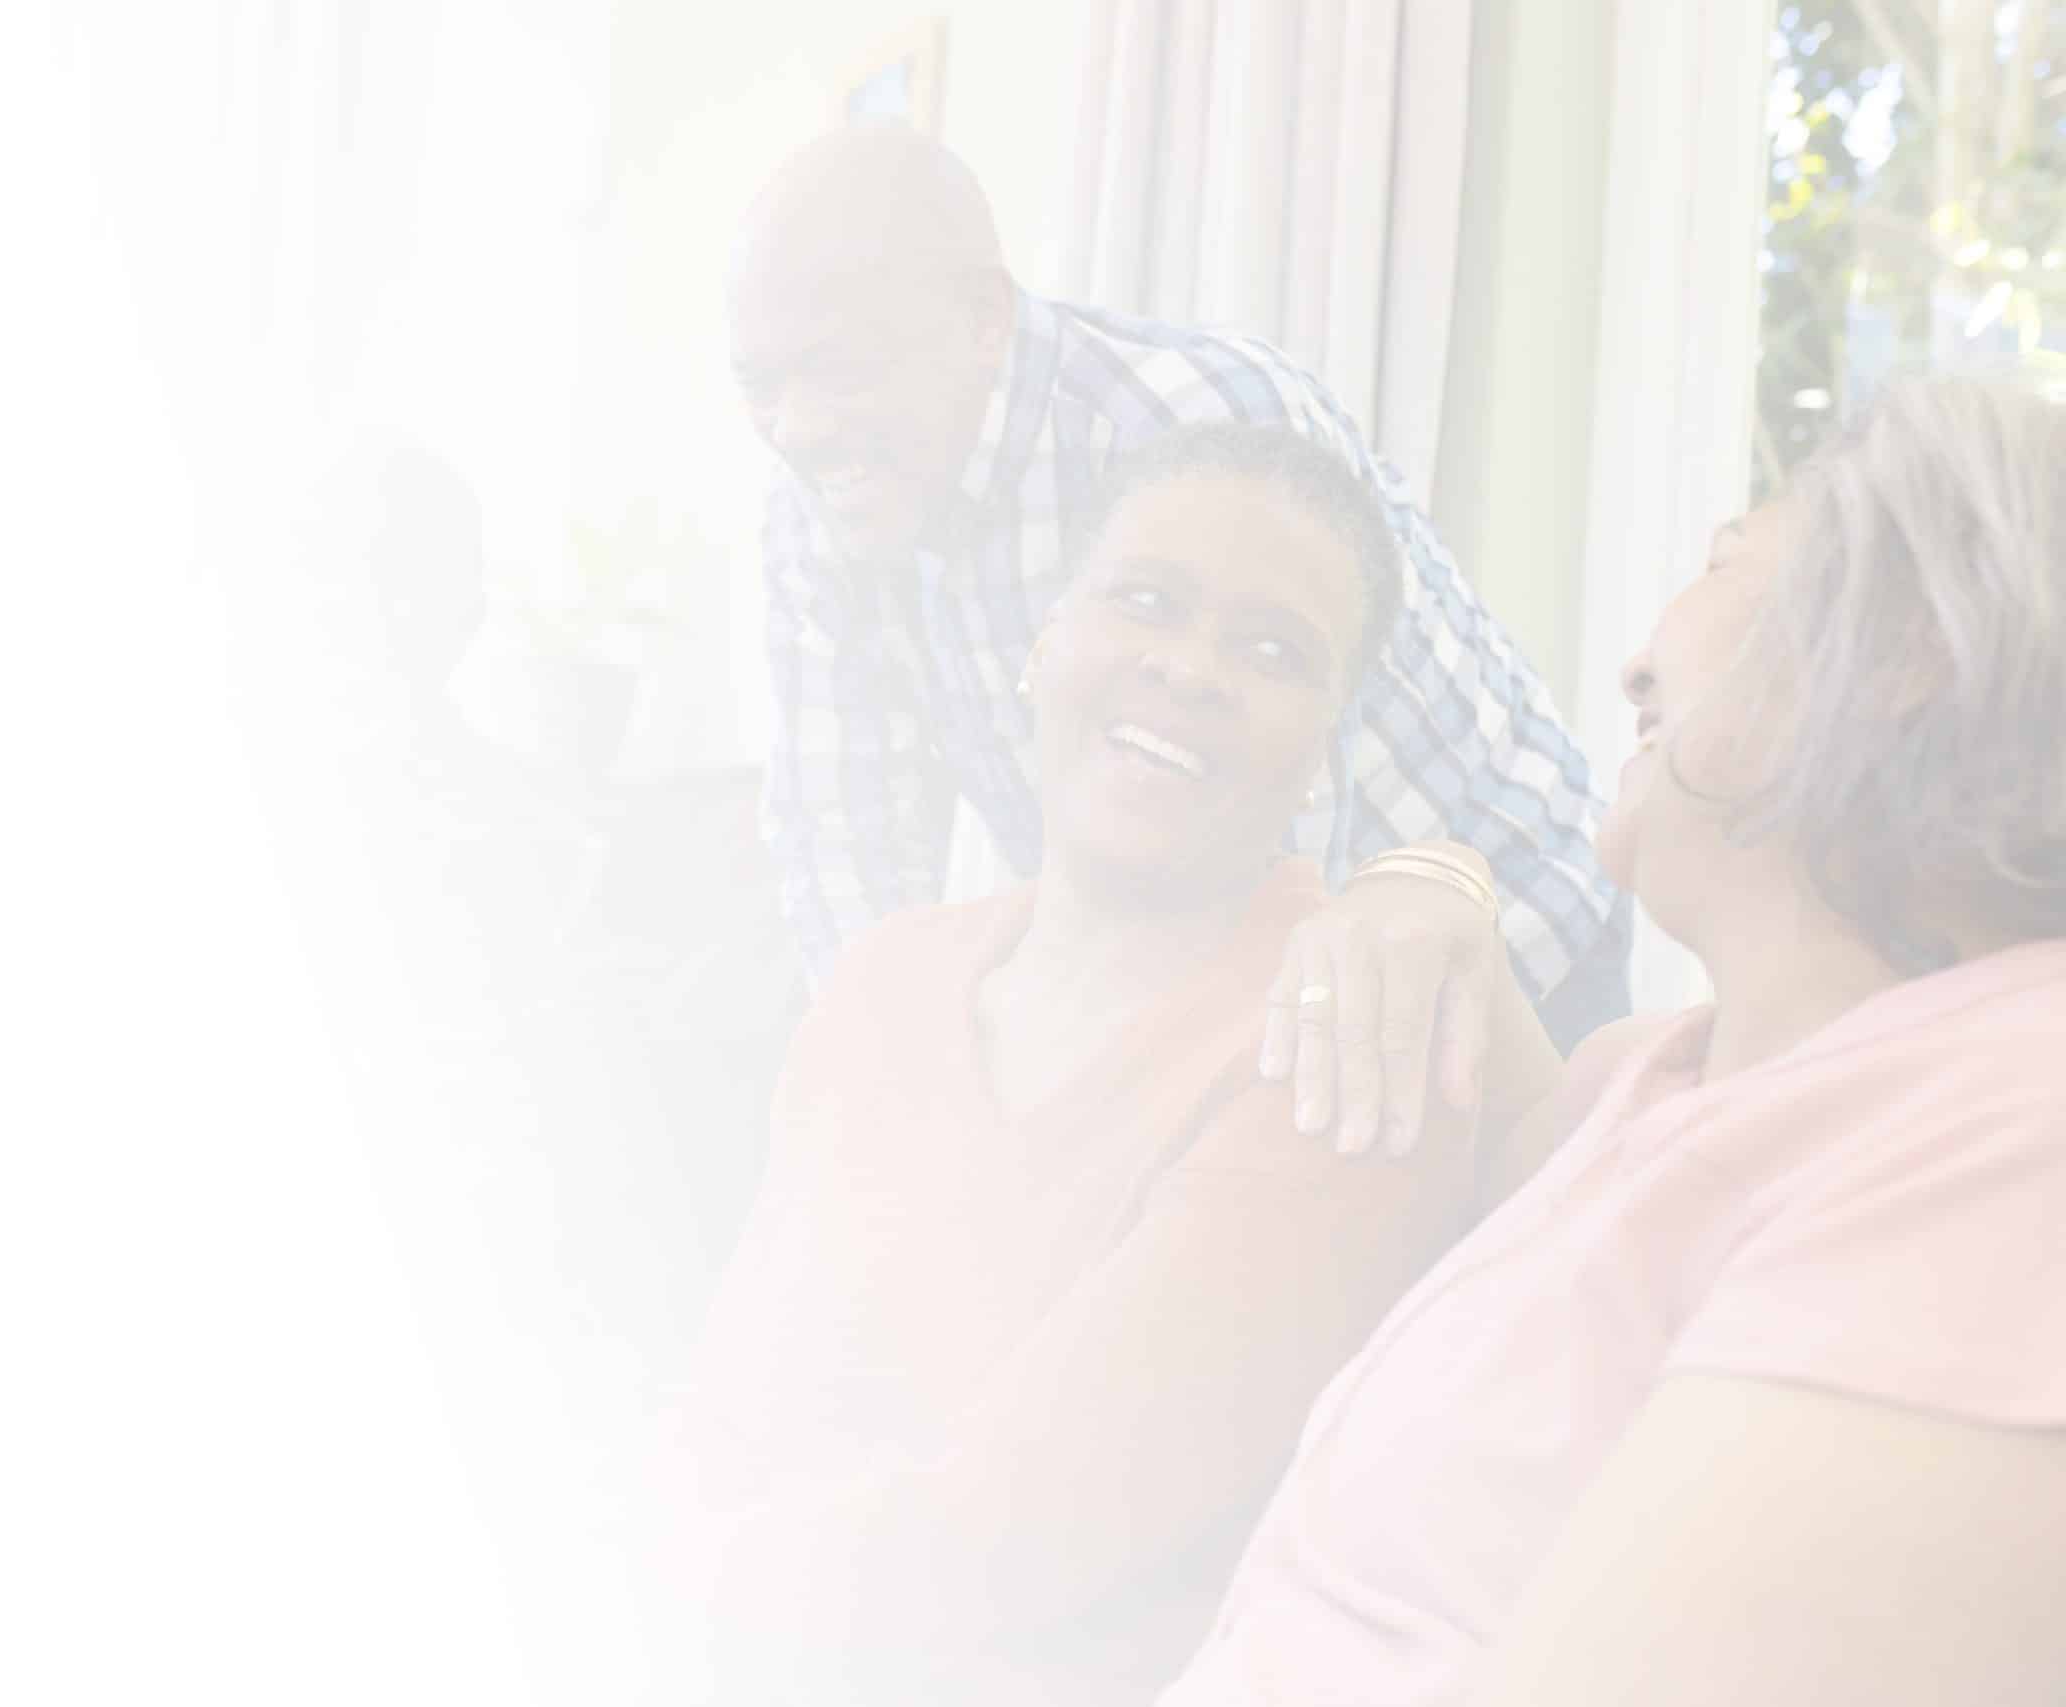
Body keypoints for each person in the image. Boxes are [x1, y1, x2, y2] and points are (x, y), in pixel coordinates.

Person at [1161, 368, 2066, 1706]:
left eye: (1724, 565)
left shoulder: (2008, 1133)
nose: (1640, 658)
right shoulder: (1648, 1079)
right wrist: (1433, 875)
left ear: (1906, 648)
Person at [660, 425, 1553, 1705]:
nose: (1187, 670)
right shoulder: (885, 981)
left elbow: (1020, 1535)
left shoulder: (1345, 1030)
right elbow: (730, 1399)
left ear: (1322, 750)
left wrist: (655, 1590)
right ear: (1044, 644)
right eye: (1146, 602)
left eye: (1270, 651)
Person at [732, 122, 1631, 1129]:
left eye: (839, 368)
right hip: (1248, 965)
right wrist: (893, 1086)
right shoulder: (822, 492)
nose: (796, 426)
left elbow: (1274, 821)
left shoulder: (1192, 421)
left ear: (983, 317)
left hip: (1508, 936)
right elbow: (843, 829)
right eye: (761, 385)